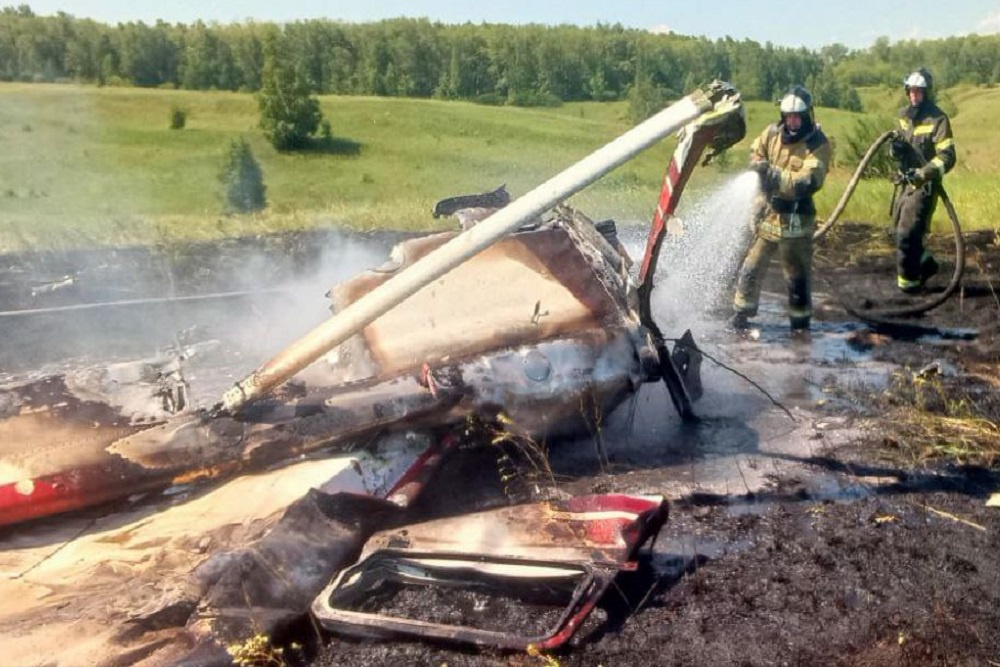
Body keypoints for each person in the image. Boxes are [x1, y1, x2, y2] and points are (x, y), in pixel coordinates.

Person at [731, 85, 832, 333]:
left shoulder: (817, 143)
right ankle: (741, 314)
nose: (793, 122)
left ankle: (800, 325)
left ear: (808, 115)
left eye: (797, 117)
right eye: (789, 117)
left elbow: (809, 180)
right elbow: (756, 152)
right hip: (770, 216)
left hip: (797, 220)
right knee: (751, 268)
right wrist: (758, 165)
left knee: (795, 278)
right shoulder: (772, 133)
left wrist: (774, 174)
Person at [889, 68, 957, 293]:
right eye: (911, 91)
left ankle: (909, 286)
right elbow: (896, 148)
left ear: (926, 92)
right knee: (896, 233)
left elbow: (947, 157)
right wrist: (895, 149)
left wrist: (923, 173)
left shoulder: (938, 119)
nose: (914, 95)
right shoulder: (903, 115)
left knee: (907, 234)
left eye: (918, 91)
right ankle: (926, 265)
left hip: (924, 187)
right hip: (904, 184)